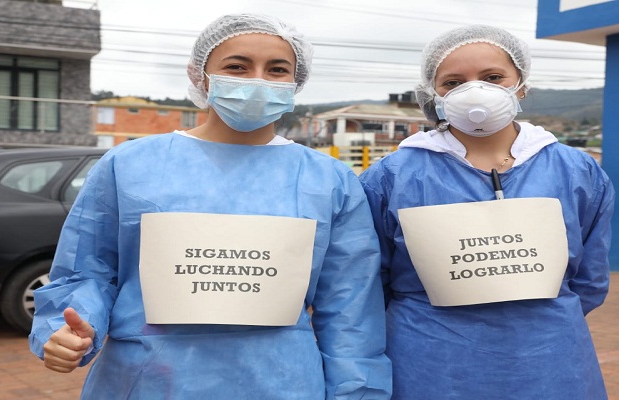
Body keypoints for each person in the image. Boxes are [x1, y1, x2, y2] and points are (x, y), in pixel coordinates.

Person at [29, 13, 391, 399]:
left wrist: (356, 391)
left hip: (280, 382)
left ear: (295, 82)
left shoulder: (328, 180)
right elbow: (88, 270)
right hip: (147, 380)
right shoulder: (130, 165)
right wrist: (68, 328)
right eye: (237, 66)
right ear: (200, 75)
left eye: (277, 69)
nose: (256, 80)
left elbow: (351, 309)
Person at [358, 25, 615, 399]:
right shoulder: (391, 177)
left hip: (551, 364)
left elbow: (590, 280)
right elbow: (368, 283)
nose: (474, 90)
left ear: (521, 84)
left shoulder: (577, 171)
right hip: (431, 365)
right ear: (433, 94)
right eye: (453, 82)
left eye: (493, 77)